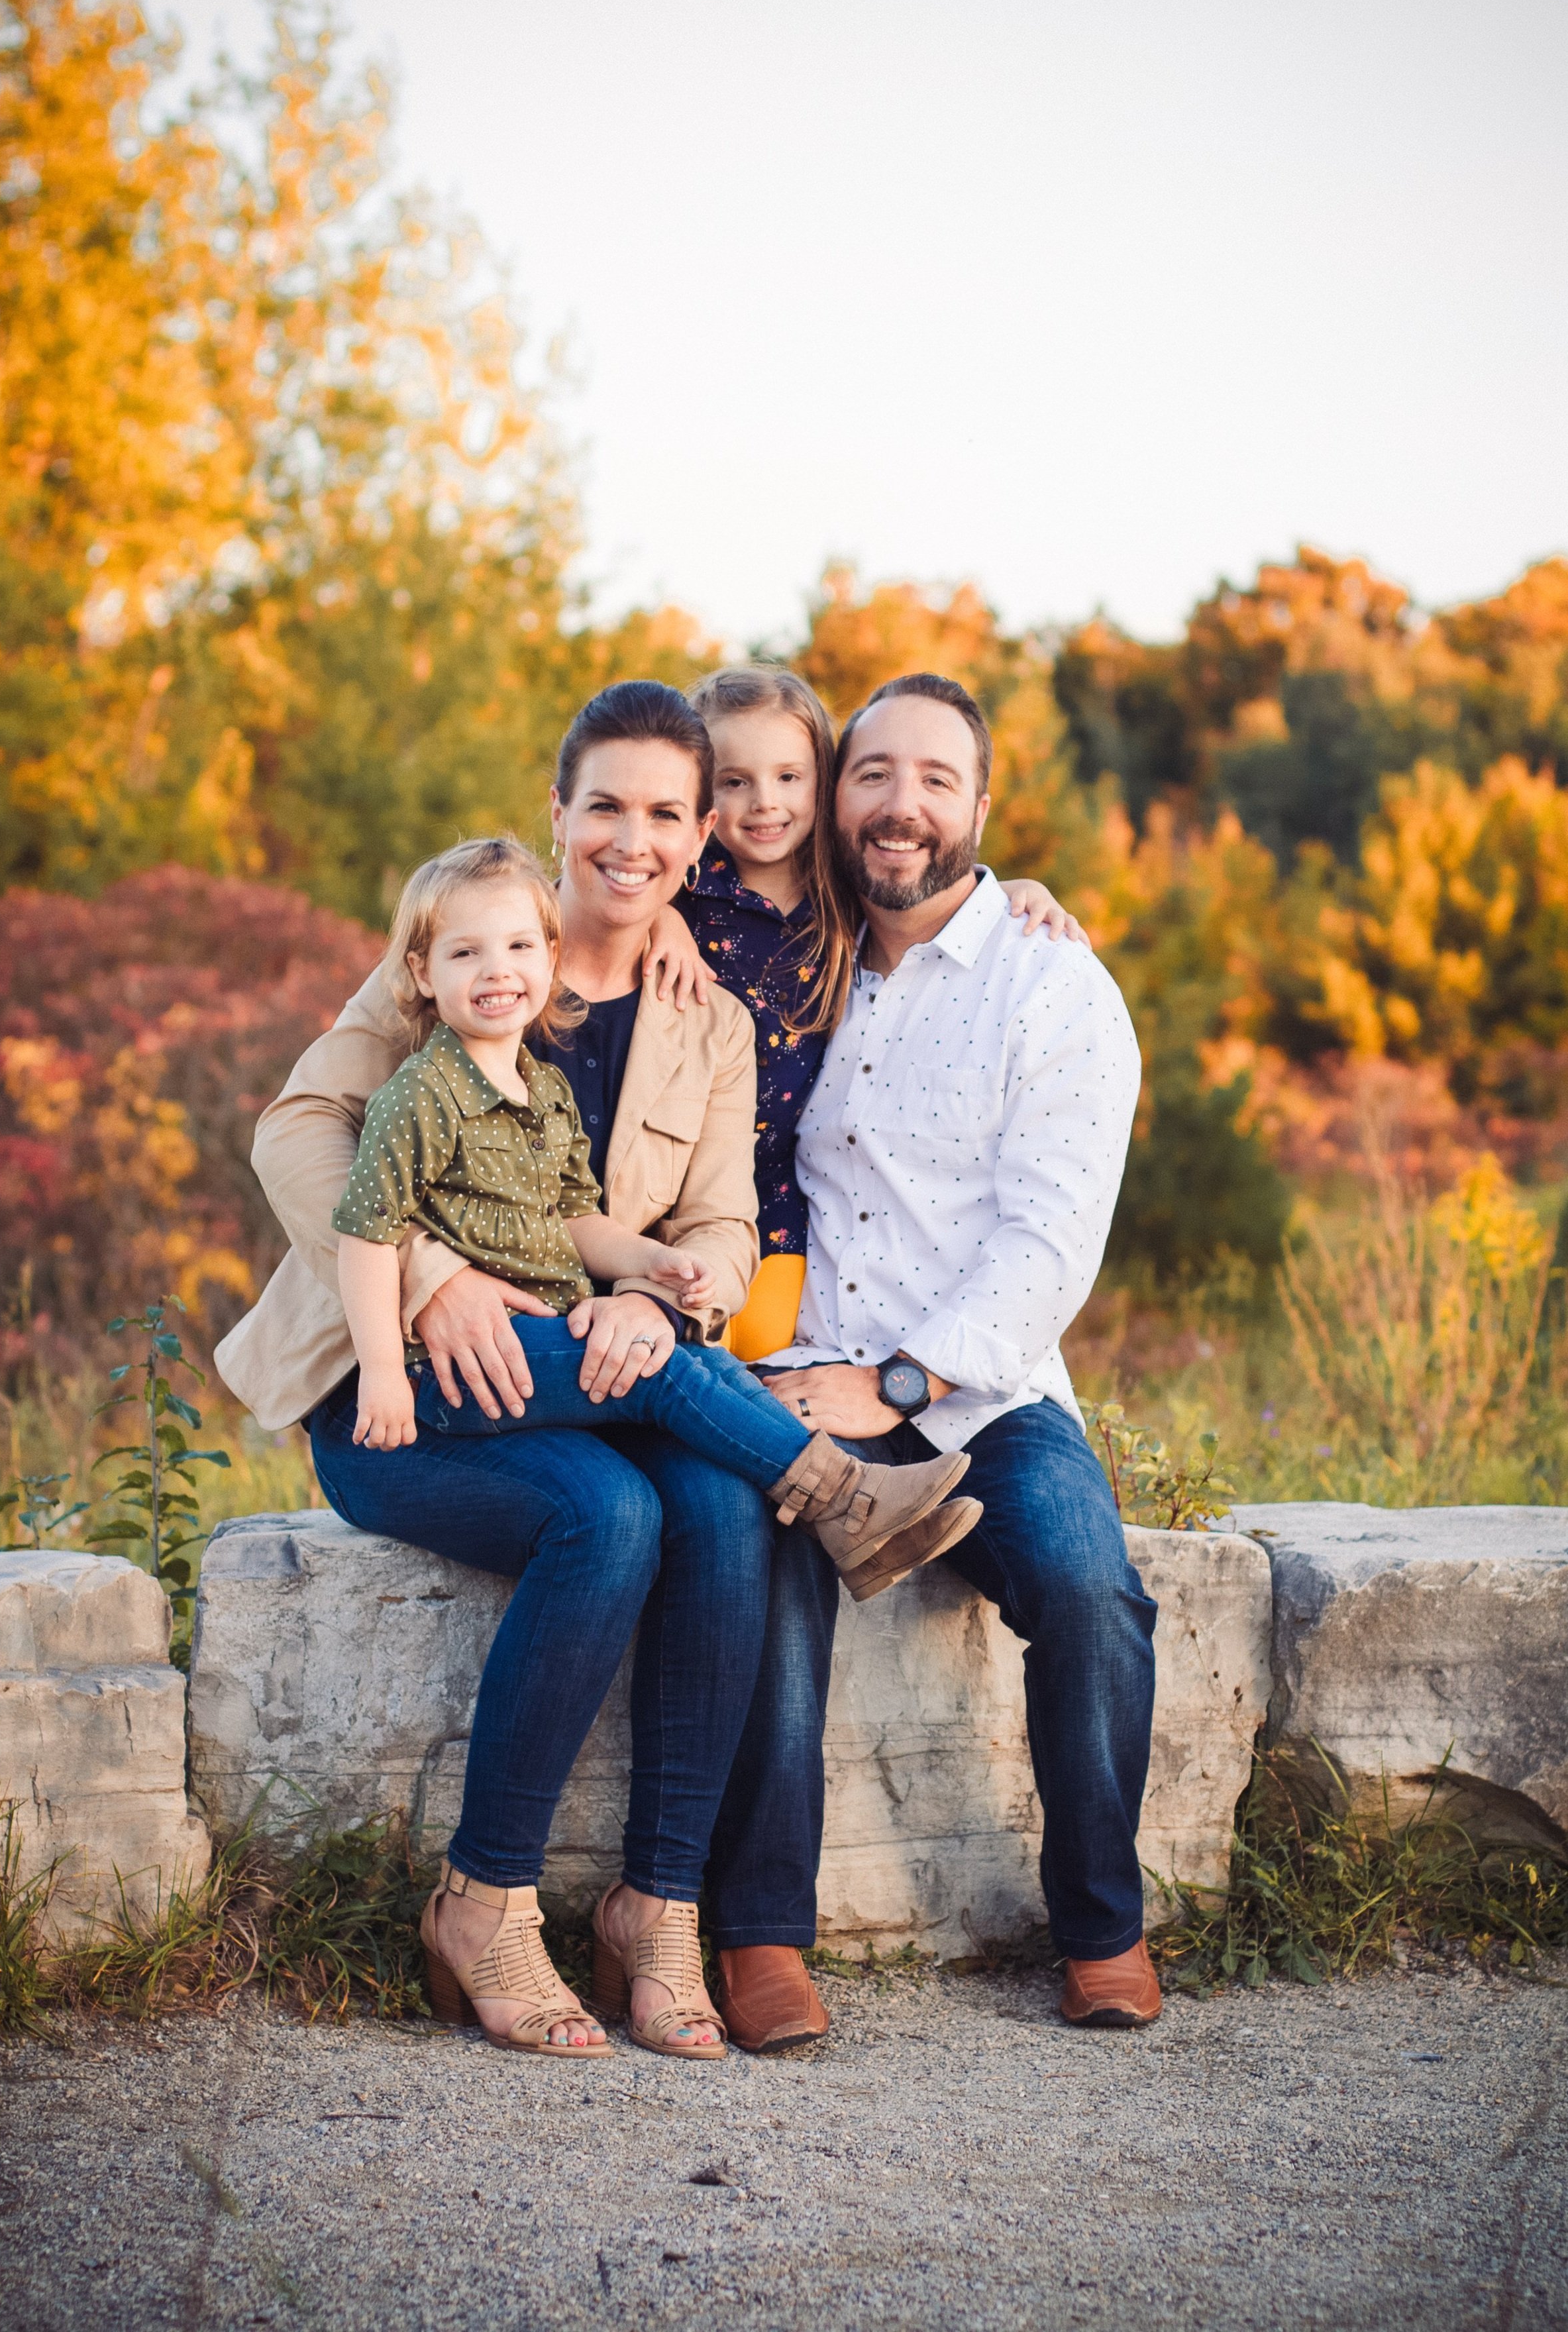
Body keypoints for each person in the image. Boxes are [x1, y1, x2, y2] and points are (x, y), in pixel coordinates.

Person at [218, 682, 780, 2060]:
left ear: (699, 835)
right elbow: (295, 1129)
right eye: (605, 806)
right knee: (612, 1516)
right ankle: (484, 1901)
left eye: (663, 813)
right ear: (559, 811)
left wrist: (668, 1299)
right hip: (400, 1389)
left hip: (592, 1376)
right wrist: (427, 1274)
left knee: (708, 1512)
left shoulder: (708, 1021)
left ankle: (656, 1909)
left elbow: (720, 1219)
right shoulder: (463, 941)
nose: (630, 841)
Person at [743, 670, 1163, 2034]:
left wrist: (906, 1381)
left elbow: (1050, 1241)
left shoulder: (1053, 985)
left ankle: (1101, 1925)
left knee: (1089, 1588)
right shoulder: (784, 966)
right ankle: (761, 1935)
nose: (900, 804)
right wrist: (844, 1391)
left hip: (984, 1394)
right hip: (807, 1370)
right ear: (833, 797)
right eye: (871, 774)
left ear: (983, 804)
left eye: (935, 778)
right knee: (770, 1570)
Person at [334, 830, 981, 1603]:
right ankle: (845, 1499)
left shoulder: (540, 1091)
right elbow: (365, 1232)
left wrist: (646, 1265)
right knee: (661, 1369)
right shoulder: (422, 1090)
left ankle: (851, 1515)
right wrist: (381, 1367)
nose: (496, 970)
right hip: (461, 1361)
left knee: (700, 1356)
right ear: (422, 971)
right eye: (466, 955)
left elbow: (575, 1217)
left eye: (515, 948)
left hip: (547, 1327)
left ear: (547, 955)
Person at [680, 664, 1084, 1361]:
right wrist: (652, 922)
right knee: (679, 1387)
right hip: (670, 1204)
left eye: (789, 777)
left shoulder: (836, 896)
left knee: (743, 1390)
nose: (764, 803)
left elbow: (933, 883)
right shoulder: (681, 888)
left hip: (776, 1220)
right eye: (733, 781)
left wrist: (1016, 888)